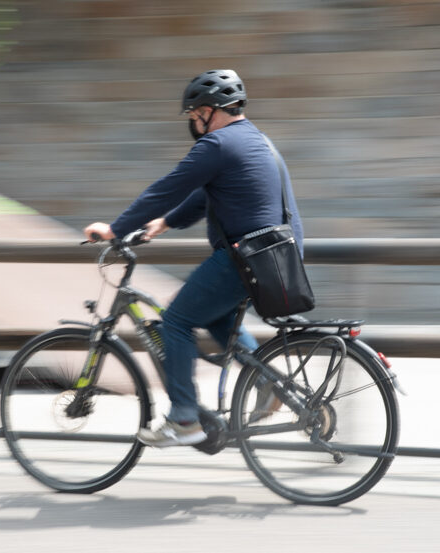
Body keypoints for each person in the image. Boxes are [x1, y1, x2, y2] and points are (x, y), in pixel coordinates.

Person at [83, 69, 304, 447]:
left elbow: (167, 187)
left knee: (176, 321)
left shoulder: (217, 145)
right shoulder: (256, 141)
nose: (193, 123)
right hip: (274, 255)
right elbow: (206, 196)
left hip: (246, 255)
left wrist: (116, 230)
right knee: (215, 317)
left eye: (193, 116)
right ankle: (269, 385)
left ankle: (184, 419)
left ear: (208, 110)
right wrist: (166, 223)